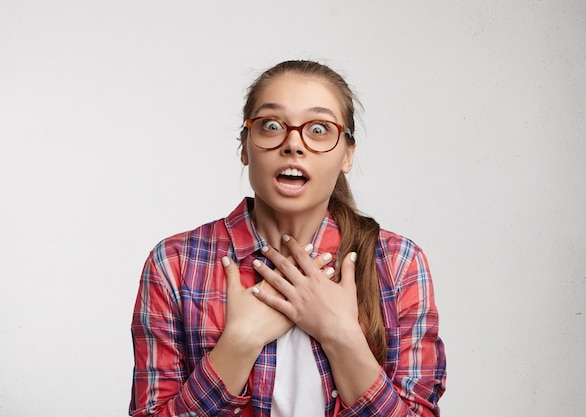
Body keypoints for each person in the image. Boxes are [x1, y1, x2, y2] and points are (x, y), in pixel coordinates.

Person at [129, 60, 446, 417]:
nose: (293, 144)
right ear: (245, 148)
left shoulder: (398, 262)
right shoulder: (176, 263)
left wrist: (340, 336)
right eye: (271, 125)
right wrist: (238, 344)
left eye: (320, 129)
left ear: (347, 155)